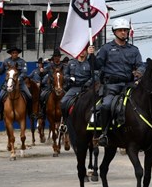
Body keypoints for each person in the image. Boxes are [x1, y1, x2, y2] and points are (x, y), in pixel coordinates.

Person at [93, 18, 144, 146]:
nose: (123, 33)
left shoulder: (134, 50)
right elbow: (97, 65)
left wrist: (140, 71)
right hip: (111, 86)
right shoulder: (106, 48)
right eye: (120, 30)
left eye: (125, 30)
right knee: (106, 105)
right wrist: (91, 56)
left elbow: (141, 65)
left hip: (129, 84)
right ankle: (104, 134)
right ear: (114, 32)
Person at [61, 44, 97, 118]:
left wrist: (88, 83)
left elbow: (95, 76)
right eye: (80, 49)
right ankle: (64, 121)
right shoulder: (71, 63)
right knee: (63, 102)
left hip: (87, 89)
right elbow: (65, 75)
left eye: (84, 49)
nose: (82, 52)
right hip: (74, 87)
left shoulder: (91, 63)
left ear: (87, 51)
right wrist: (69, 79)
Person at [0, 45, 32, 118]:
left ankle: (30, 113)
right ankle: (0, 114)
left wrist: (18, 79)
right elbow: (1, 72)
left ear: (18, 53)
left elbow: (24, 73)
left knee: (29, 96)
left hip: (20, 83)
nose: (14, 54)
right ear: (10, 54)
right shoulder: (6, 61)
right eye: (13, 53)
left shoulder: (22, 62)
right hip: (8, 83)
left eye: (16, 53)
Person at [39, 48, 63, 117]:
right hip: (50, 87)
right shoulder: (49, 66)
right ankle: (42, 112)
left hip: (61, 87)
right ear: (53, 57)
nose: (56, 58)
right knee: (42, 95)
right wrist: (41, 71)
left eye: (58, 56)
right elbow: (42, 74)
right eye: (55, 56)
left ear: (60, 57)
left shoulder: (64, 66)